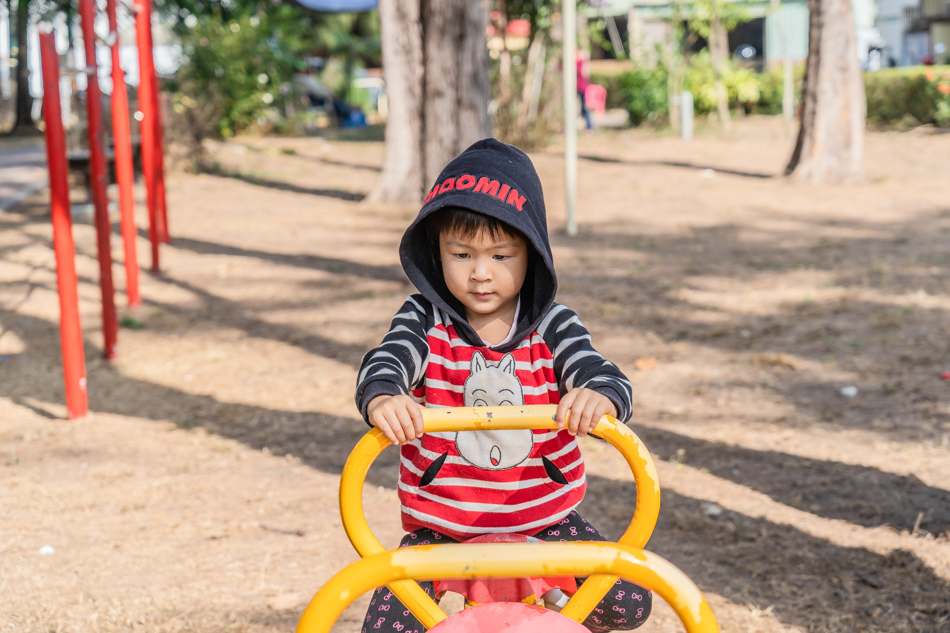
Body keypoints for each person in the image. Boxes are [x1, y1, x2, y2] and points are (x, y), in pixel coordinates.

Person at [355, 139, 651, 632]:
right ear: (437, 253)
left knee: (625, 604)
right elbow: (387, 359)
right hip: (443, 526)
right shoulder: (424, 320)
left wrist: (596, 394)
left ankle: (549, 614)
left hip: (543, 520)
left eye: (501, 254)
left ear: (531, 255)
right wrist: (386, 395)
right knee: (384, 629)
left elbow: (603, 373)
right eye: (462, 253)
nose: (480, 272)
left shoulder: (552, 325)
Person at [577, 49, 594, 131]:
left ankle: (590, 126)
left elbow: (582, 72)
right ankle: (589, 126)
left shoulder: (580, 62)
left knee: (584, 108)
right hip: (578, 87)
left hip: (582, 87)